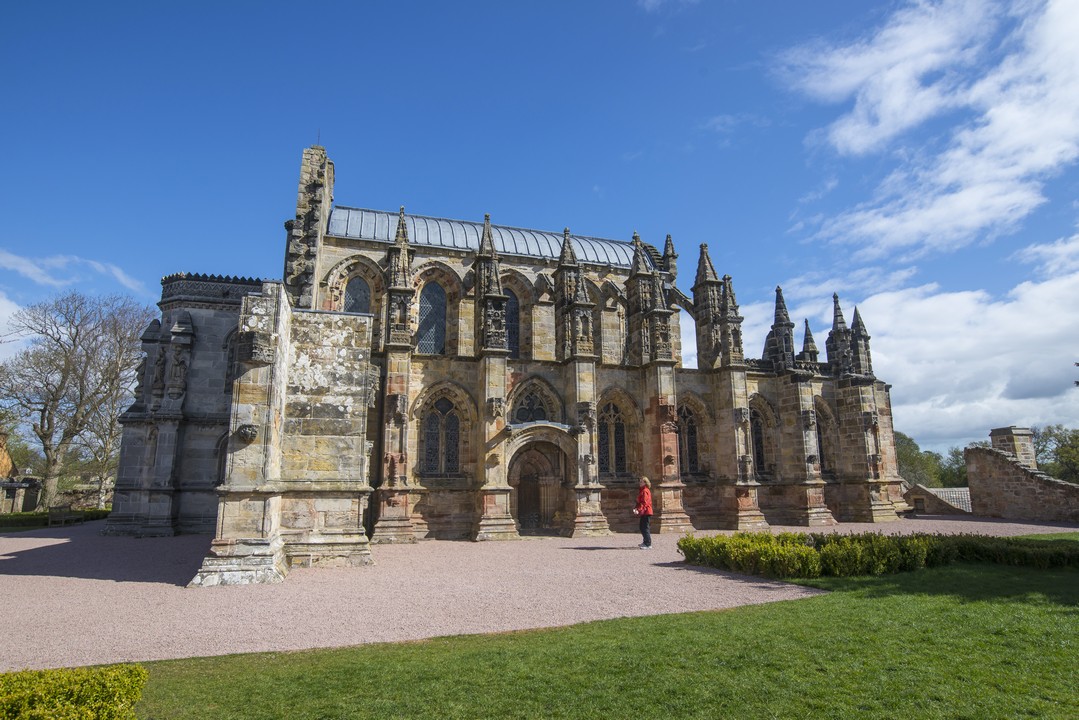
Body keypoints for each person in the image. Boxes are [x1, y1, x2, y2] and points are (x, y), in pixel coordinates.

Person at [633, 476, 653, 549]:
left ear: (645, 482)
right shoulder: (642, 490)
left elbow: (645, 503)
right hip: (645, 511)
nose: (640, 483)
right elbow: (640, 502)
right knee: (642, 527)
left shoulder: (645, 491)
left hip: (646, 511)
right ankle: (645, 542)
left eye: (641, 481)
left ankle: (648, 544)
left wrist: (638, 510)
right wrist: (636, 508)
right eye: (640, 481)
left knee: (645, 528)